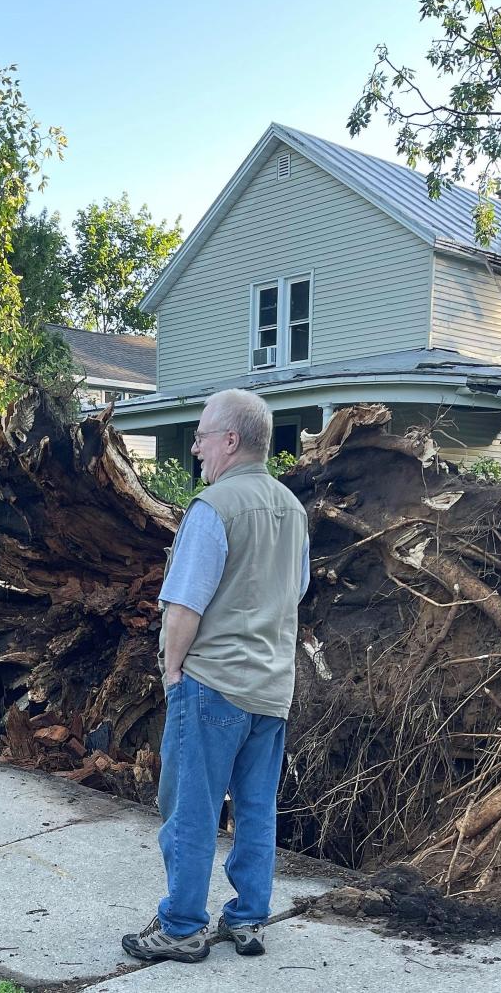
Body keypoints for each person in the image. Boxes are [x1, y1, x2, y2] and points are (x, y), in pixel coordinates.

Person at [122, 388, 309, 963]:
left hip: (213, 683)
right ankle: (248, 919)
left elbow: (184, 606)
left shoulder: (214, 508)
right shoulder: (292, 509)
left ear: (230, 440)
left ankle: (180, 927)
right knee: (256, 808)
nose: (197, 447)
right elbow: (296, 592)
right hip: (272, 686)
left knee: (192, 809)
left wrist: (173, 670)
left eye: (202, 436)